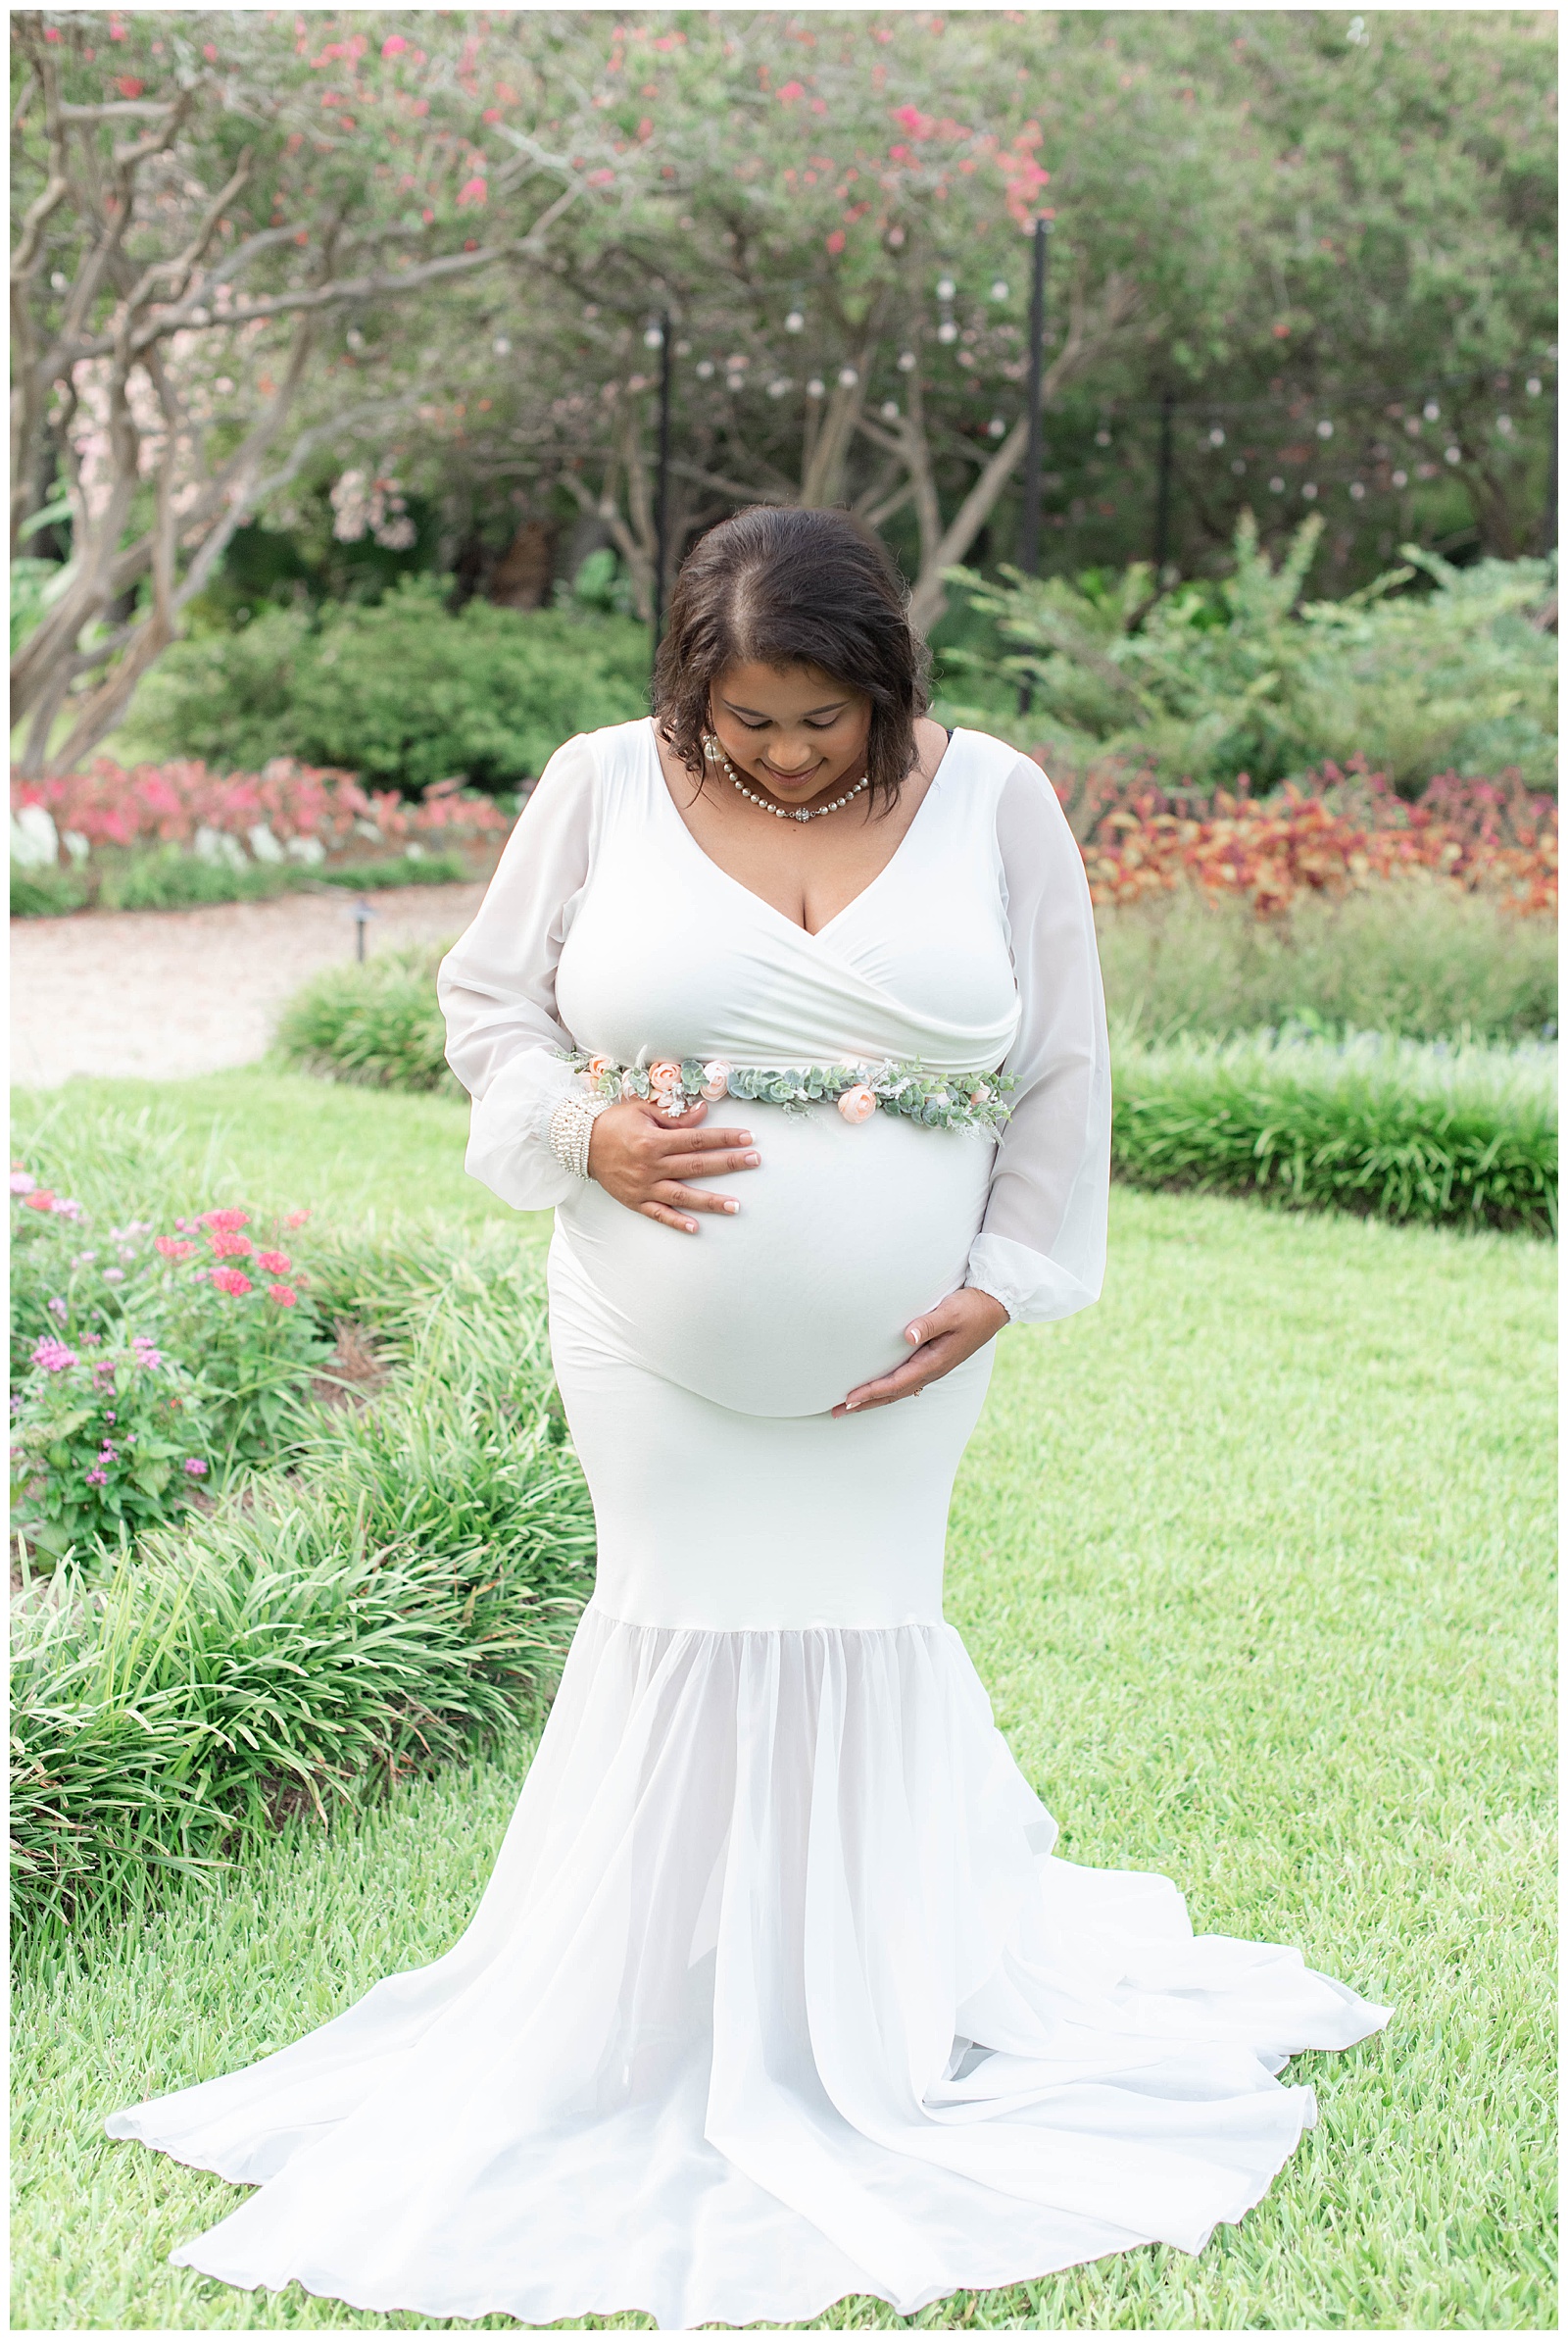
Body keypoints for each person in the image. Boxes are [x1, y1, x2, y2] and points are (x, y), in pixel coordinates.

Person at [107, 507, 1388, 2327]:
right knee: (672, 1627)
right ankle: (638, 2017)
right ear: (688, 685)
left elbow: (1066, 1062)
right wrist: (586, 1129)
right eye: (749, 718)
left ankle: (865, 2017)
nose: (785, 753)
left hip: (907, 1354)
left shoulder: (1000, 800)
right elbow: (486, 1001)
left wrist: (1008, 1278)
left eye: (822, 719)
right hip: (644, 1331)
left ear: (890, 682)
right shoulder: (604, 785)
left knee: (868, 1629)